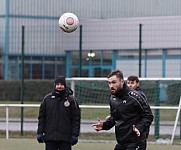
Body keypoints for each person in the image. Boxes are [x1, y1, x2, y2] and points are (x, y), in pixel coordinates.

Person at [92, 70, 153, 150]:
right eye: (109, 83)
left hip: (135, 141)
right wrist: (104, 125)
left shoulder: (135, 97)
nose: (111, 86)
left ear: (122, 81)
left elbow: (148, 116)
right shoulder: (113, 98)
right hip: (121, 141)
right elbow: (114, 117)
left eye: (114, 82)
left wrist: (139, 127)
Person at [37, 76, 81, 150]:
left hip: (65, 138)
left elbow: (76, 119)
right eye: (58, 84)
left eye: (61, 84)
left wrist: (75, 134)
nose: (59, 86)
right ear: (55, 85)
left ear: (64, 85)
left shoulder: (71, 100)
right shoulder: (47, 99)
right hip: (50, 137)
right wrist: (40, 132)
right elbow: (42, 117)